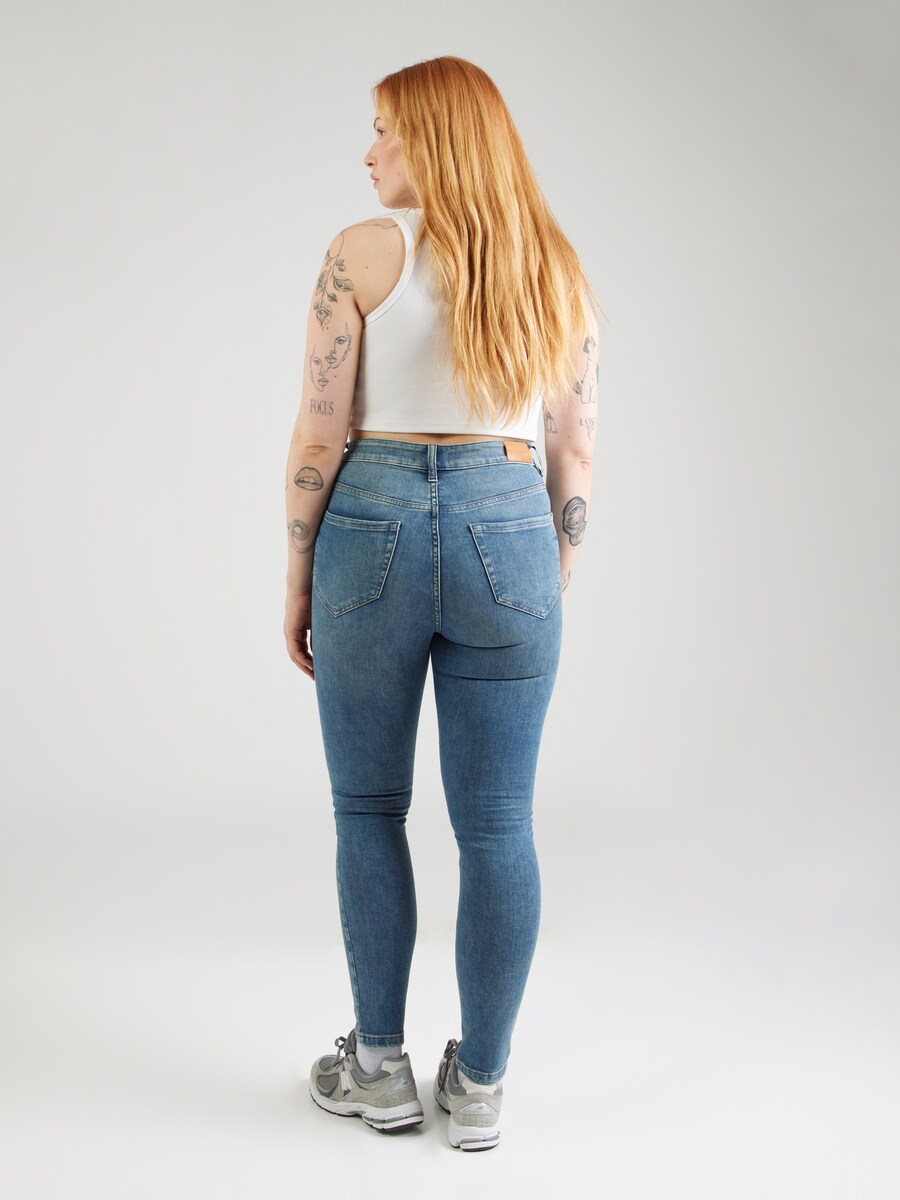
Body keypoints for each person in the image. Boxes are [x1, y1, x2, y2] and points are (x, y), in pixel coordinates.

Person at [284, 55, 605, 1152]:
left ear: (434, 138)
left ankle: (378, 1068)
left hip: (368, 520)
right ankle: (481, 1087)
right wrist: (548, 567)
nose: (369, 151)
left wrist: (297, 576)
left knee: (368, 808)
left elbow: (320, 430)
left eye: (385, 130)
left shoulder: (361, 252)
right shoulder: (551, 263)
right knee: (499, 823)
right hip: (508, 521)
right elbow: (575, 450)